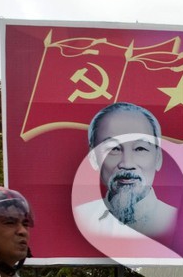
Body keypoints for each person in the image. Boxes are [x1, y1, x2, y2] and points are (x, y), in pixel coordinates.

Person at [73, 102, 177, 240]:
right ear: (93, 158)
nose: (127, 164)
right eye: (114, 149)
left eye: (140, 148)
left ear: (158, 158)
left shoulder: (178, 221)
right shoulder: (78, 219)